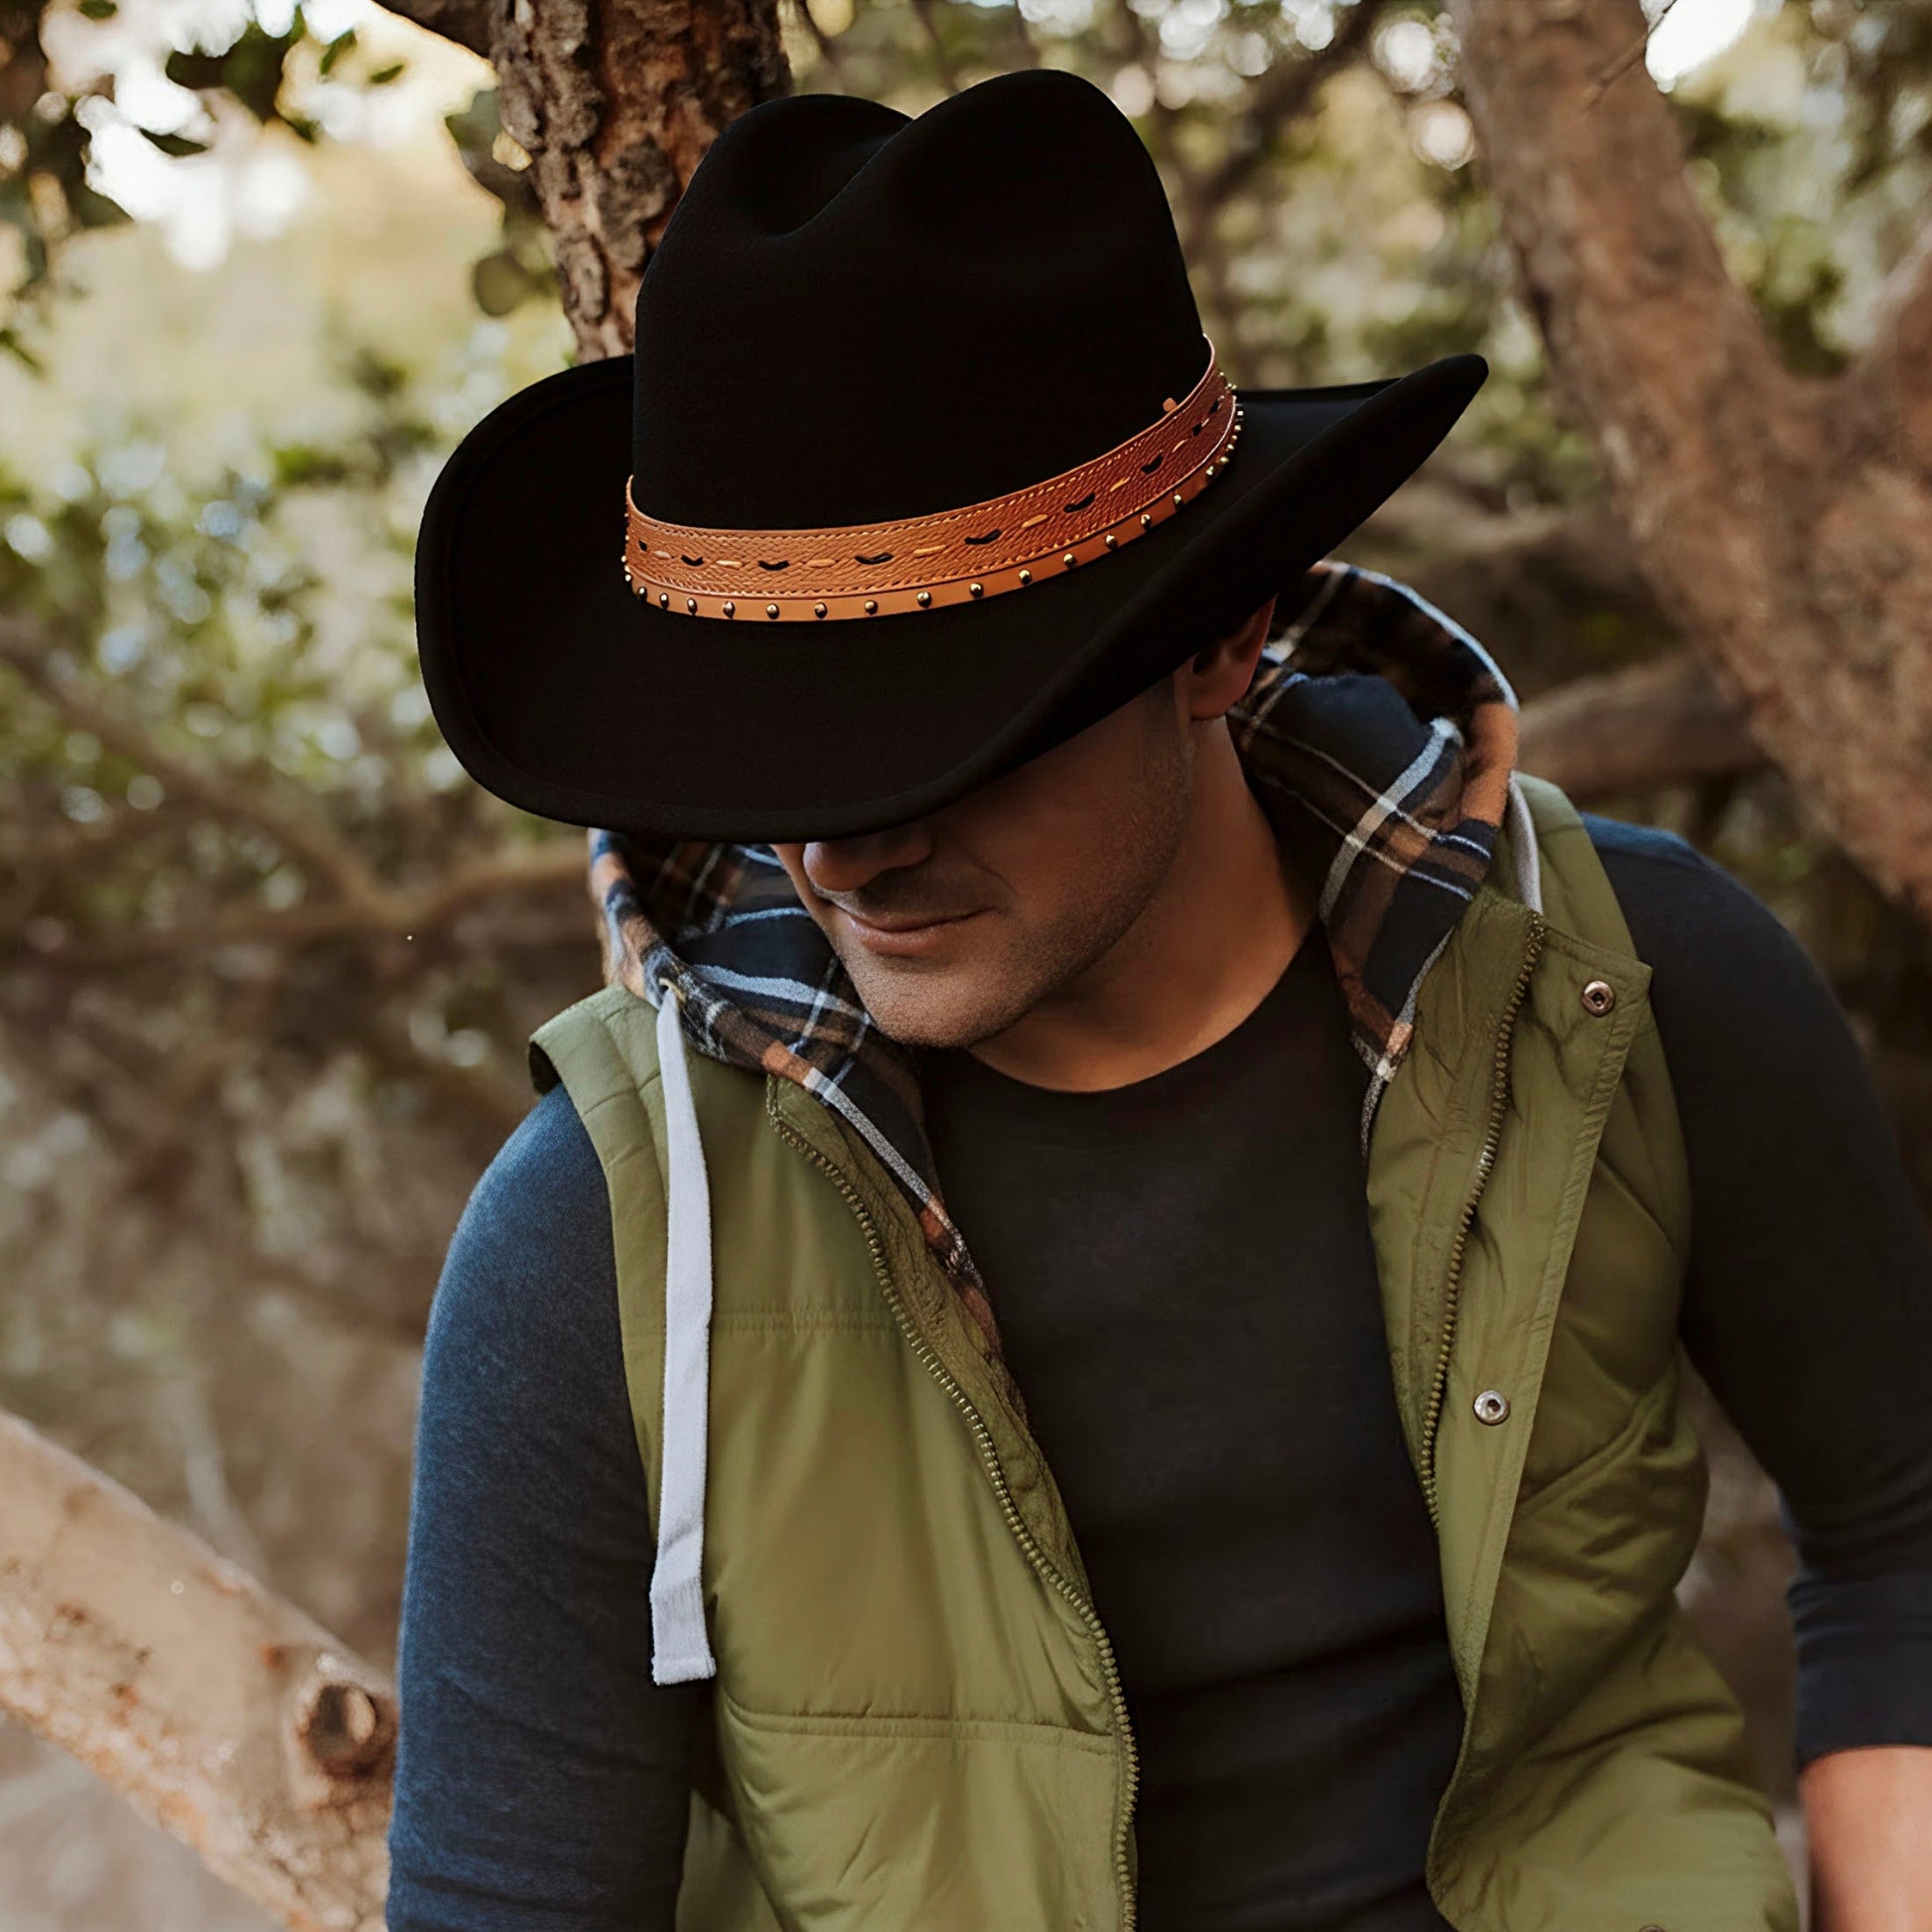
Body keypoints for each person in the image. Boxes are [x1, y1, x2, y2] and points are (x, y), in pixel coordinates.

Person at [393, 68, 1932, 1932]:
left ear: (1217, 635)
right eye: (775, 761)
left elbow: (1900, 1530)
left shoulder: (1618, 976)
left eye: (946, 738)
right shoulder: (604, 1242)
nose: (844, 850)